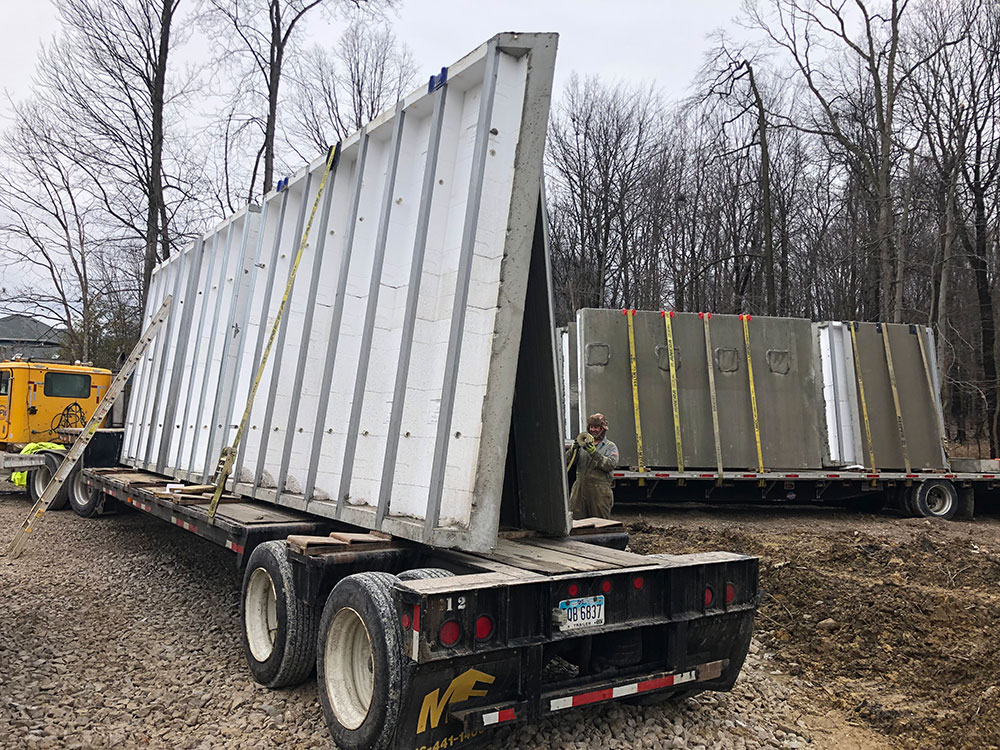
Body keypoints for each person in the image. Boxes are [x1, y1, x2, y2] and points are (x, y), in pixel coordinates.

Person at [566, 413, 619, 519]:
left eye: (596, 427)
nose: (593, 429)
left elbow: (610, 465)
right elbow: (567, 461)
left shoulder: (610, 446)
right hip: (579, 489)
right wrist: (573, 449)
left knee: (600, 523)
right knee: (577, 522)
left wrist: (594, 453)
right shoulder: (583, 444)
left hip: (599, 490)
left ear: (603, 429)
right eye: (591, 427)